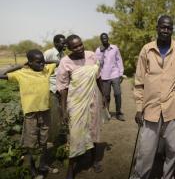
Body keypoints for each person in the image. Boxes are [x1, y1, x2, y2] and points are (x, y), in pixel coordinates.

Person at [131, 15, 175, 179]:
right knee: (146, 150)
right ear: (157, 28)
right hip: (150, 108)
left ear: (172, 30)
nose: (166, 30)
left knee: (173, 150)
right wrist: (139, 108)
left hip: (174, 107)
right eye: (163, 27)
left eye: (169, 28)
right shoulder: (147, 49)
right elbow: (139, 81)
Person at [0, 49, 58, 178]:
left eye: (43, 61)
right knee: (31, 143)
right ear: (30, 62)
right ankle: (32, 168)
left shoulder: (46, 70)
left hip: (45, 112)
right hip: (31, 114)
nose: (42, 64)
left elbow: (57, 62)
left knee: (44, 141)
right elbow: (2, 74)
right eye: (38, 62)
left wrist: (43, 60)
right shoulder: (21, 73)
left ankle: (42, 164)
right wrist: (21, 65)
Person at [56, 35, 104, 179]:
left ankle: (94, 160)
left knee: (93, 129)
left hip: (93, 99)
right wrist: (64, 110)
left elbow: (98, 77)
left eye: (80, 44)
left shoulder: (91, 56)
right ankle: (71, 167)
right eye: (75, 47)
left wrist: (105, 97)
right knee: (76, 134)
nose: (79, 48)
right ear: (69, 48)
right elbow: (63, 88)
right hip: (76, 102)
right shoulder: (65, 62)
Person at [95, 33, 125, 121]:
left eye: (106, 38)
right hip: (104, 75)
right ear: (101, 40)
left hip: (115, 74)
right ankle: (107, 114)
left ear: (108, 38)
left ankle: (119, 113)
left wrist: (121, 73)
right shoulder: (98, 50)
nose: (105, 40)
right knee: (106, 96)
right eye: (103, 39)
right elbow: (98, 63)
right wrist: (101, 52)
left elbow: (119, 60)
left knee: (118, 94)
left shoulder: (114, 48)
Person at [44, 34, 66, 141]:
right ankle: (52, 138)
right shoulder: (49, 53)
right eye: (62, 43)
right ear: (56, 43)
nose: (64, 44)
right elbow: (40, 65)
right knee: (53, 112)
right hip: (51, 87)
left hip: (60, 86)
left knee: (61, 111)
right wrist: (54, 63)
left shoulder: (63, 54)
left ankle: (59, 133)